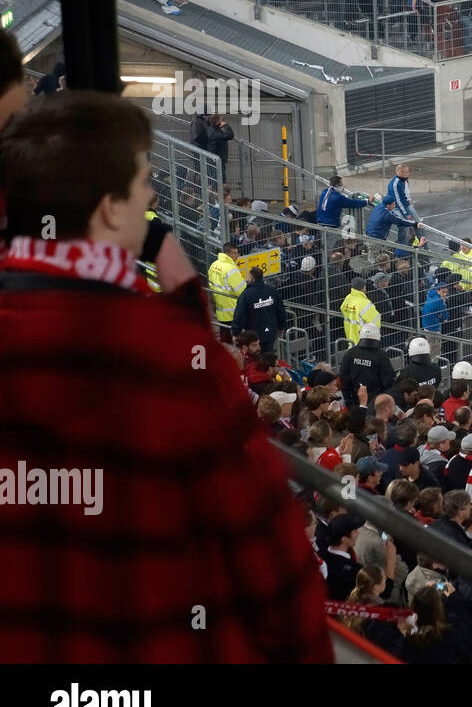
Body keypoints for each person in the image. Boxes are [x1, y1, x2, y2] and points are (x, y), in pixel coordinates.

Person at [0, 92, 331, 661]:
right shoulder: (172, 362)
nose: (152, 198)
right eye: (144, 184)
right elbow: (270, 564)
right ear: (109, 208)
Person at [230, 265, 287, 352]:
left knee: (256, 358)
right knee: (268, 355)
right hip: (270, 332)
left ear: (252, 278)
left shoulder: (246, 294)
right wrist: (281, 326)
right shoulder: (271, 290)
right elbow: (280, 310)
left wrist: (236, 332)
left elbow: (239, 314)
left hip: (253, 335)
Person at [206, 241, 247, 341]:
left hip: (220, 307)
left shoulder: (214, 265)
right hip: (232, 308)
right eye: (235, 253)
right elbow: (241, 291)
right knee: (237, 337)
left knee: (224, 335)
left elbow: (211, 283)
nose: (237, 255)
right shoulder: (231, 269)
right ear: (228, 253)